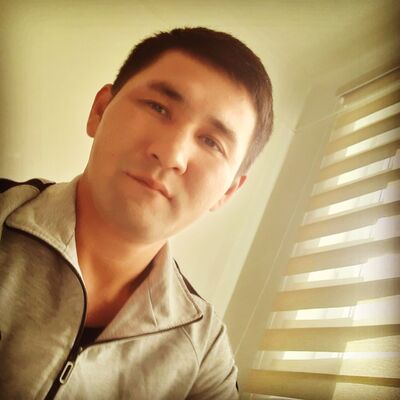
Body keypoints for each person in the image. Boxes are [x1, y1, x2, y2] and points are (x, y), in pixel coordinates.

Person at [0, 27, 273, 399]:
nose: (171, 154)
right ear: (100, 111)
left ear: (228, 191)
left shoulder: (205, 355)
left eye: (211, 142)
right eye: (158, 107)